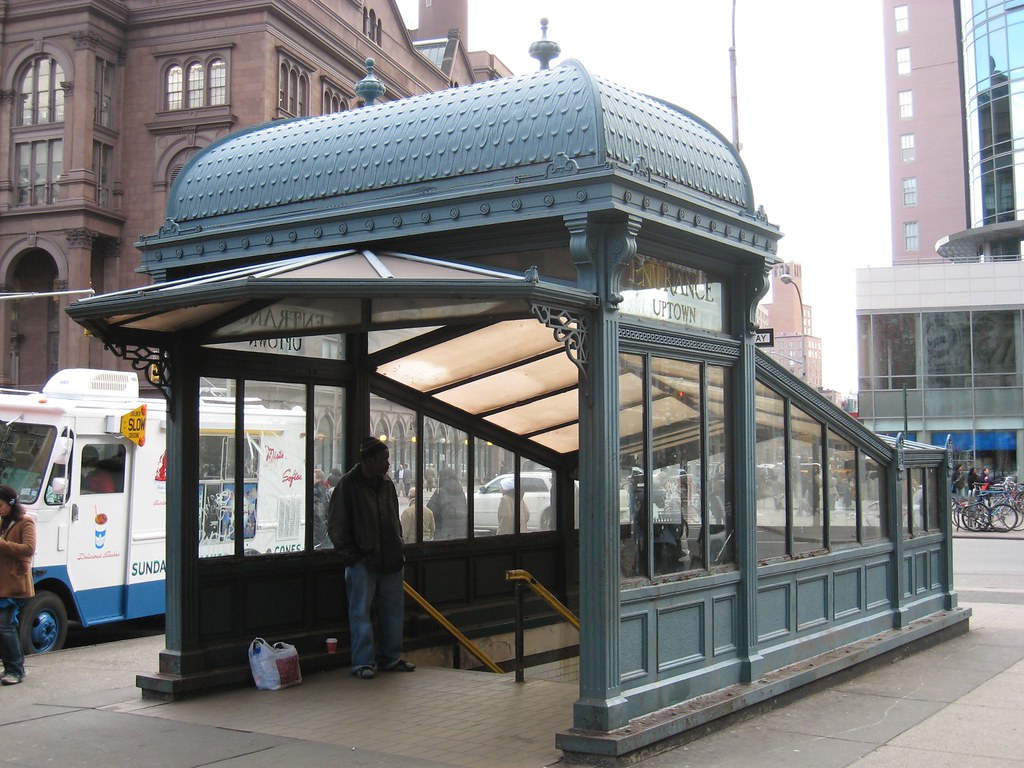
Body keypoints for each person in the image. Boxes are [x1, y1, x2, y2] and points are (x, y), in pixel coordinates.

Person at [328, 437, 415, 679]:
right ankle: (363, 662)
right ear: (368, 460)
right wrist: (353, 557)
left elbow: (392, 520)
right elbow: (336, 526)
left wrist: (398, 547)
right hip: (363, 561)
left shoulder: (386, 483)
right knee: (360, 613)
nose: (388, 464)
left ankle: (391, 657)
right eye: (383, 459)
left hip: (390, 559)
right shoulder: (348, 485)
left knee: (392, 612)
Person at [0, 484, 35, 685]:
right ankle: (13, 666)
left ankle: (16, 670)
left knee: (5, 626)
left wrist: (3, 544)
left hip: (15, 584)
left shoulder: (25, 522)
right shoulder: (3, 522)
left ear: (11, 504)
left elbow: (29, 549)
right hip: (3, 582)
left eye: (2, 505)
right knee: (6, 626)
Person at [427, 467, 468, 539]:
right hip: (462, 535)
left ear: (442, 478)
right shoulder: (461, 492)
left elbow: (429, 511)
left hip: (444, 535)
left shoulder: (440, 492)